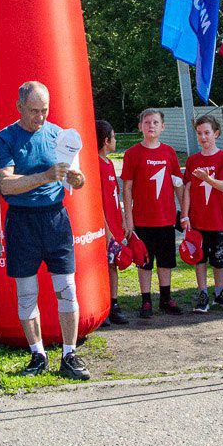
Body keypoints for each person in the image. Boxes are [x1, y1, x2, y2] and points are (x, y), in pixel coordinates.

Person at [0, 81, 90, 380]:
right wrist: (46, 176)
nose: (40, 117)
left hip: (55, 218)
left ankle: (69, 354)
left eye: (44, 110)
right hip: (22, 221)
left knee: (67, 288)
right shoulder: (5, 138)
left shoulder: (60, 135)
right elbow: (5, 184)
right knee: (27, 292)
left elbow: (79, 179)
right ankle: (37, 354)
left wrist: (76, 179)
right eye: (34, 110)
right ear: (19, 107)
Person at [121, 108, 185, 318]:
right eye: (147, 122)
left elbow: (178, 184)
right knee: (144, 261)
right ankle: (146, 300)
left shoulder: (169, 152)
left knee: (166, 261)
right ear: (140, 126)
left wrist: (185, 213)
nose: (151, 126)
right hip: (142, 220)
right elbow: (127, 188)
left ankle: (165, 299)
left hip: (166, 219)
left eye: (156, 122)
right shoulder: (132, 154)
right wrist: (128, 219)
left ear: (163, 127)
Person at [180, 115, 223, 312]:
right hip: (197, 220)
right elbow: (187, 189)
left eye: (207, 133)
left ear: (216, 134)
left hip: (218, 219)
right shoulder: (192, 160)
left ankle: (220, 293)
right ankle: (203, 294)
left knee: (219, 259)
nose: (203, 137)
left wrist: (207, 178)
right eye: (199, 133)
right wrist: (185, 215)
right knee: (199, 258)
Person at [94, 120, 129, 325]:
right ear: (106, 141)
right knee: (103, 266)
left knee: (113, 264)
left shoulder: (108, 163)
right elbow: (96, 201)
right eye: (114, 137)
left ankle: (113, 304)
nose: (116, 140)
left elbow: (115, 194)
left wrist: (122, 219)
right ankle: (103, 306)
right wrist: (106, 230)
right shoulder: (95, 165)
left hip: (115, 224)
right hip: (104, 226)